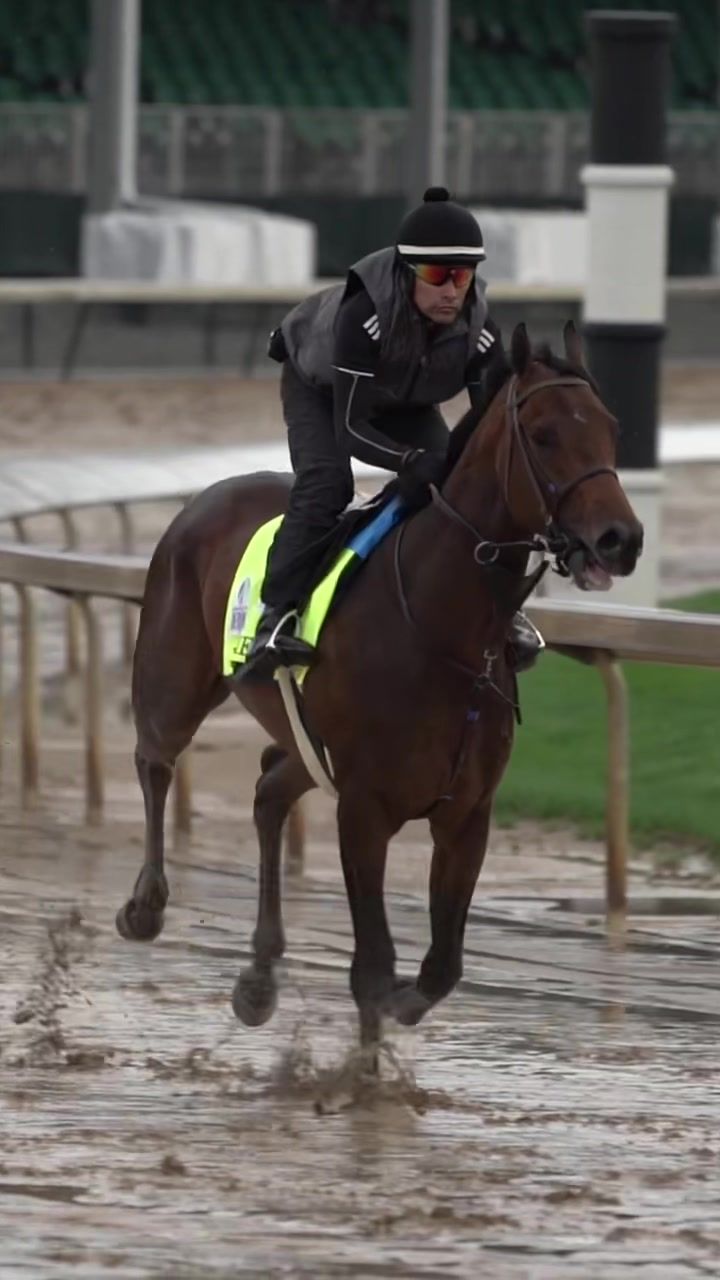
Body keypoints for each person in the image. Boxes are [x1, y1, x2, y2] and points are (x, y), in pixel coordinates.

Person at [237, 186, 543, 680]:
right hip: (324, 390)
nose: (452, 291)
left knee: (460, 489)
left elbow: (489, 423)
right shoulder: (363, 317)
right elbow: (351, 428)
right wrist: (406, 461)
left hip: (404, 394)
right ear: (407, 272)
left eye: (463, 276)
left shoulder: (481, 329)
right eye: (437, 275)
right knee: (326, 485)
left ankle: (499, 608)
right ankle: (275, 617)